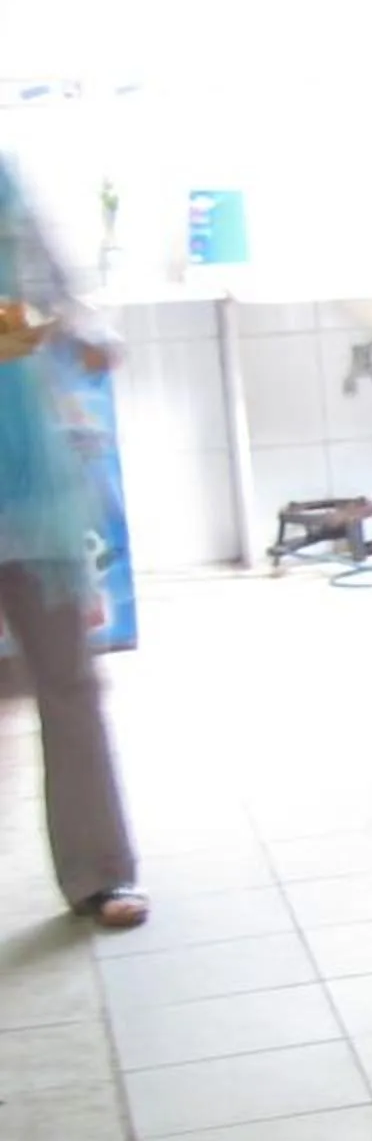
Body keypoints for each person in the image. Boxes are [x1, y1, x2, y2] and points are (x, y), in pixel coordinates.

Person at [0, 157, 143, 930]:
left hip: (29, 479)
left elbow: (60, 301)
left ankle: (101, 872)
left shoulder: (7, 185)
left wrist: (88, 336)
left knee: (69, 683)